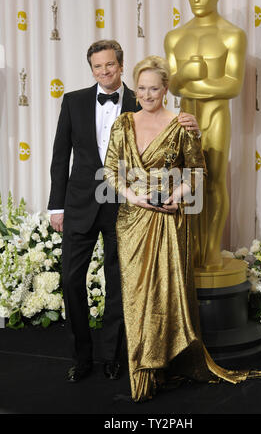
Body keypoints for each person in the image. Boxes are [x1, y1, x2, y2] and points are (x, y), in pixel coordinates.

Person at [104, 55, 261, 402]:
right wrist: (133, 197)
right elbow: (110, 170)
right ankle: (142, 370)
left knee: (164, 295)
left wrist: (175, 195)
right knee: (137, 299)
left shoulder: (183, 125)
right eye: (143, 88)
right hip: (132, 222)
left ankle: (164, 365)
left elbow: (198, 171)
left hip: (167, 219)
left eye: (155, 88)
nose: (148, 95)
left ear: (166, 89)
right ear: (137, 89)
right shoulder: (123, 124)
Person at [48, 39, 200, 383]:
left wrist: (193, 126)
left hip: (127, 206)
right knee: (72, 280)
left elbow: (172, 132)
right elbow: (61, 158)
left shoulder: (141, 97)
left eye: (110, 65)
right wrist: (56, 206)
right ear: (91, 69)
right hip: (80, 203)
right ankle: (81, 356)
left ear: (121, 65)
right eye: (97, 66)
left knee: (118, 284)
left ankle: (112, 356)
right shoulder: (73, 102)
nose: (104, 72)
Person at [164, 0, 247, 271]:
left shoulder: (232, 34)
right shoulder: (175, 36)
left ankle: (212, 250)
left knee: (214, 180)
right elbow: (172, 85)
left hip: (215, 116)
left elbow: (232, 86)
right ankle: (191, 248)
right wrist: (185, 76)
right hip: (186, 117)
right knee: (187, 182)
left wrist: (189, 82)